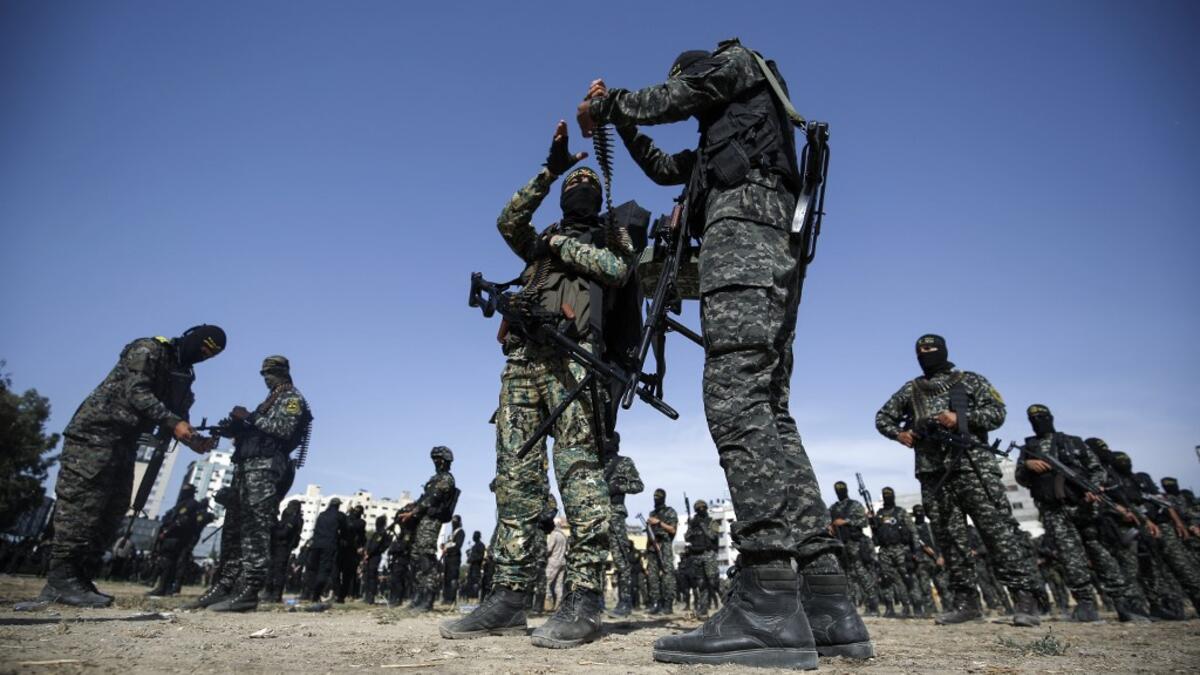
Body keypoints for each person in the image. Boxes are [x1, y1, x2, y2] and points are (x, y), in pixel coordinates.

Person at [578, 41, 869, 667]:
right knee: (768, 409)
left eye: (686, 84)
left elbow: (674, 97)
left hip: (743, 232)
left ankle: (767, 598)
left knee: (735, 396)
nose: (686, 93)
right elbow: (661, 167)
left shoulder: (737, 63)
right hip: (763, 237)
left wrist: (610, 104)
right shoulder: (724, 137)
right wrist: (622, 127)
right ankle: (824, 598)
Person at [441, 122, 632, 649]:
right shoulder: (539, 246)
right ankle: (508, 596)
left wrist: (559, 241)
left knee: (579, 473)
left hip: (576, 362)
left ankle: (586, 596)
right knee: (515, 478)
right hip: (523, 361)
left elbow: (617, 268)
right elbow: (508, 219)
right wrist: (550, 171)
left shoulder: (610, 232)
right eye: (573, 188)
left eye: (585, 189)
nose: (580, 192)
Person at [39, 325, 224, 607]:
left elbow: (179, 412)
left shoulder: (183, 374)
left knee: (113, 509)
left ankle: (79, 578)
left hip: (126, 442)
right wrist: (174, 423)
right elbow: (137, 392)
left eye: (209, 355)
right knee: (82, 507)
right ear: (192, 338)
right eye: (202, 348)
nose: (202, 356)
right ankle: (60, 580)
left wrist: (194, 440)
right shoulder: (148, 350)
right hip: (95, 435)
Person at [876, 334, 1042, 627]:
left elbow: (997, 413)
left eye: (931, 348)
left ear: (944, 350)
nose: (926, 353)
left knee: (997, 532)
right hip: (933, 473)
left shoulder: (970, 380)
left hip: (972, 467)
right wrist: (900, 434)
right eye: (921, 350)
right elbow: (882, 418)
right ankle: (966, 603)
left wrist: (960, 418)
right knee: (950, 538)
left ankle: (1024, 598)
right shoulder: (912, 389)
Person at [1014, 404, 1148, 622]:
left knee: (1101, 554)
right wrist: (1028, 465)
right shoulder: (1029, 448)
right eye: (1034, 418)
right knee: (1070, 558)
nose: (1039, 421)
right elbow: (1021, 478)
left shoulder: (1074, 442)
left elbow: (1097, 470)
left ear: (1051, 417)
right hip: (1054, 510)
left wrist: (1093, 489)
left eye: (1042, 417)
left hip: (1085, 506)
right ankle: (1085, 604)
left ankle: (1125, 603)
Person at [209, 356, 312, 613]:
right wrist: (236, 428)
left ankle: (250, 590)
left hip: (266, 468)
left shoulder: (291, 399)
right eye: (264, 373)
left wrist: (250, 418)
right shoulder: (271, 400)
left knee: (256, 527)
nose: (266, 377)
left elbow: (284, 430)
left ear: (283, 373)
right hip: (247, 467)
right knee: (235, 529)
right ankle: (225, 584)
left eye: (271, 373)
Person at [398, 446, 458, 612]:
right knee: (416, 557)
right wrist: (411, 508)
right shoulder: (435, 478)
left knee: (426, 558)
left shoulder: (446, 479)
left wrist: (414, 512)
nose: (435, 462)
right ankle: (418, 596)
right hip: (422, 520)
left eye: (437, 459)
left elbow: (433, 499)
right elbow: (424, 498)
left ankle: (427, 599)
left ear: (444, 461)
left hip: (432, 521)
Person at [603, 435, 644, 616]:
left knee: (621, 559)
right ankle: (594, 602)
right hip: (595, 515)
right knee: (593, 557)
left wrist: (620, 487)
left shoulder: (624, 462)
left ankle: (625, 602)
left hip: (615, 514)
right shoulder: (595, 462)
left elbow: (638, 485)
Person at [828, 481, 879, 615]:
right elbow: (827, 524)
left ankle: (873, 605)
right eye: (837, 490)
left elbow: (863, 521)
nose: (840, 492)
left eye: (842, 489)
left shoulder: (854, 505)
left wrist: (845, 522)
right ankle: (852, 605)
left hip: (855, 543)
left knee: (862, 574)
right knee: (847, 575)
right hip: (840, 544)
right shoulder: (833, 508)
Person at [871, 487, 922, 618]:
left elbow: (913, 532)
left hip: (901, 549)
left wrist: (916, 550)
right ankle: (890, 607)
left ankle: (917, 607)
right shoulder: (879, 514)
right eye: (885, 495)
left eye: (889, 495)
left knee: (907, 577)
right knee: (887, 579)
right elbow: (876, 534)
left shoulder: (901, 512)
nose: (887, 497)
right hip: (884, 550)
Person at [148, 484, 202, 597]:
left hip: (178, 536)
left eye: (186, 491)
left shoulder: (191, 503)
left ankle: (163, 587)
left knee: (169, 562)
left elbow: (181, 520)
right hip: (171, 536)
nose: (183, 493)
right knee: (167, 562)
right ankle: (164, 587)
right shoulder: (179, 504)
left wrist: (167, 532)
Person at [683, 500, 721, 618]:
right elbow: (687, 538)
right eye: (698, 508)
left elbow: (713, 535)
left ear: (706, 508)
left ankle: (729, 603)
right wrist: (691, 525)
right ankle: (703, 610)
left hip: (709, 554)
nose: (700, 510)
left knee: (713, 581)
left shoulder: (712, 522)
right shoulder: (693, 523)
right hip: (697, 555)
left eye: (702, 507)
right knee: (701, 584)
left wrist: (702, 525)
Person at [302, 497, 344, 602]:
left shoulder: (321, 515)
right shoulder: (339, 516)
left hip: (316, 545)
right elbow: (345, 530)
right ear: (338, 505)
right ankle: (316, 594)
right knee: (324, 570)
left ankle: (309, 592)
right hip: (329, 546)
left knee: (313, 569)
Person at [645, 489, 678, 615]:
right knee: (652, 577)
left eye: (658, 496)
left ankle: (668, 604)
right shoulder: (652, 513)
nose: (656, 498)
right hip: (652, 546)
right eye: (654, 496)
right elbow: (649, 532)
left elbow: (673, 530)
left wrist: (658, 523)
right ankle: (655, 603)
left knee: (667, 576)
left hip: (665, 545)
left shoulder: (670, 511)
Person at [263, 499, 304, 603]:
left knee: (278, 570)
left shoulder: (294, 518)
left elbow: (284, 533)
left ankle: (276, 594)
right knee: (272, 569)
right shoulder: (290, 517)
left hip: (283, 546)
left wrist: (273, 530)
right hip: (278, 546)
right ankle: (269, 592)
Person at [337, 505, 367, 602]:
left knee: (348, 575)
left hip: (352, 550)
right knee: (337, 572)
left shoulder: (360, 522)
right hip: (343, 548)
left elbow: (354, 527)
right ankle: (337, 593)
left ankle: (342, 596)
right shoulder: (347, 518)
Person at [362, 515, 392, 605]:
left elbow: (375, 545)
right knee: (368, 575)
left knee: (371, 576)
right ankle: (368, 595)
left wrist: (368, 554)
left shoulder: (381, 533)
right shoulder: (377, 533)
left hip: (374, 556)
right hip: (371, 556)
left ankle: (370, 597)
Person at [545, 517, 568, 609]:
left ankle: (548, 603)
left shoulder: (554, 534)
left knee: (546, 582)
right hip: (563, 561)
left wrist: (543, 554)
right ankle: (559, 605)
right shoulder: (564, 535)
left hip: (553, 561)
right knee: (559, 584)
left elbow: (549, 548)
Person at [442, 515, 465, 604]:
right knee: (446, 578)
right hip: (447, 558)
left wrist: (448, 549)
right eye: (452, 521)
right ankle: (446, 598)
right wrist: (444, 546)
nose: (453, 523)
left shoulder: (460, 532)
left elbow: (458, 545)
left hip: (454, 558)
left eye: (455, 521)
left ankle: (451, 599)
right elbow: (450, 543)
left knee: (453, 578)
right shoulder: (452, 533)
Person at [463, 531, 486, 600]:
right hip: (472, 567)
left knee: (475, 583)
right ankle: (470, 597)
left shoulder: (481, 545)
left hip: (476, 567)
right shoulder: (474, 546)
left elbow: (480, 557)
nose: (474, 537)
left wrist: (472, 558)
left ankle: (475, 597)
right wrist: (469, 557)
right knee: (469, 582)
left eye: (475, 535)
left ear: (478, 536)